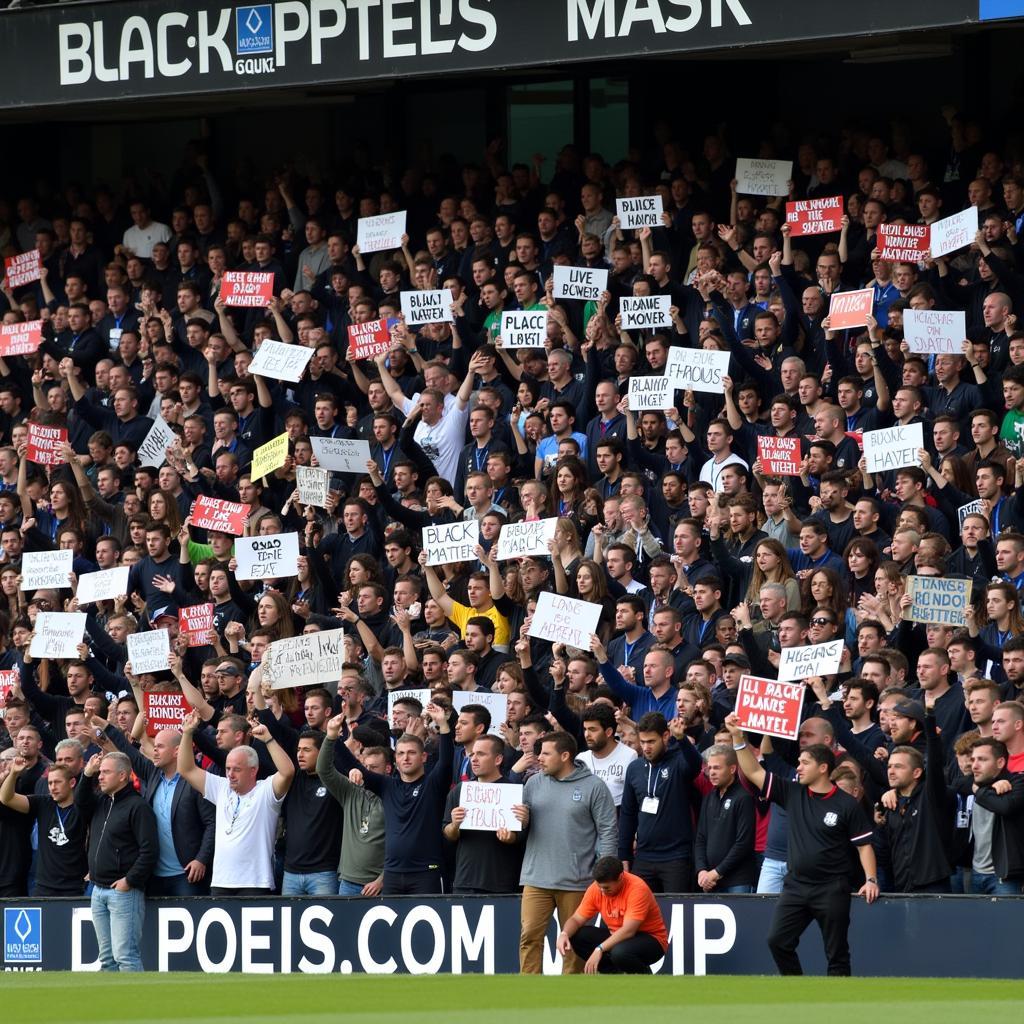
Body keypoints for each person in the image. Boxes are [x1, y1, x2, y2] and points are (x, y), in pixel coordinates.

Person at [725, 713, 879, 976]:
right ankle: (798, 989)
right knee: (777, 941)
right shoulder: (792, 793)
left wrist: (871, 879)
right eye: (799, 762)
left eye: (805, 762)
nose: (798, 766)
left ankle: (838, 1010)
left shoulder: (846, 804)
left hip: (832, 888)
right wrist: (738, 737)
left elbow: (864, 846)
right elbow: (753, 771)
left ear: (822, 768)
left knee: (836, 953)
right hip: (796, 886)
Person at [516, 730, 617, 974]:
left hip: (577, 881)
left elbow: (608, 831)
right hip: (536, 878)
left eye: (546, 753)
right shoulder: (533, 783)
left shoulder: (594, 786)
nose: (539, 758)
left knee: (574, 942)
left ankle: (571, 993)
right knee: (529, 936)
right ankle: (529, 991)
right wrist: (521, 821)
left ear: (565, 755)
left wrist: (606, 874)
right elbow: (520, 828)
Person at [177, 710, 295, 896]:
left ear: (253, 770)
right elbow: (186, 769)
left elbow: (287, 772)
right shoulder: (221, 787)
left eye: (237, 769)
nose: (230, 774)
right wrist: (187, 733)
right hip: (221, 881)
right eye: (228, 768)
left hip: (255, 882)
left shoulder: (266, 791)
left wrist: (269, 740)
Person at [75, 751, 159, 972]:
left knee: (126, 957)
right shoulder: (103, 801)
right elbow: (80, 802)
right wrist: (87, 773)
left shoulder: (137, 807)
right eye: (100, 772)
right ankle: (112, 1005)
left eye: (105, 772)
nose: (100, 777)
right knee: (107, 959)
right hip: (98, 889)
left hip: (123, 892)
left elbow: (149, 851)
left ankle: (136, 1005)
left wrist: (129, 881)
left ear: (122, 776)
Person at [556, 856, 669, 974]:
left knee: (620, 952)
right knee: (577, 935)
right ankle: (613, 975)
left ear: (620, 877)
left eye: (606, 888)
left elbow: (628, 931)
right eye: (599, 887)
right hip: (618, 937)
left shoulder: (637, 888)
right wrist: (564, 934)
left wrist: (599, 949)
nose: (602, 892)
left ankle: (646, 979)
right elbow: (576, 919)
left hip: (652, 940)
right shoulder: (596, 888)